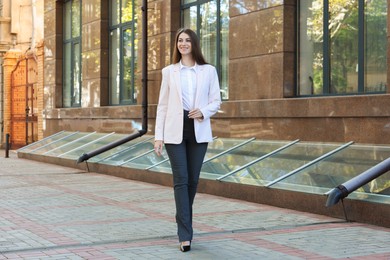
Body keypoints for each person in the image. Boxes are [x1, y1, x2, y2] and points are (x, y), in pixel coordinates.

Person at [154, 28, 221, 252]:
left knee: (192, 181)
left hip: (198, 128)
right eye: (180, 40)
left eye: (187, 40)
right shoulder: (169, 72)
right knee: (181, 179)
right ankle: (185, 234)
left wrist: (202, 111)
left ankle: (182, 216)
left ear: (194, 44)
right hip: (175, 129)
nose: (183, 44)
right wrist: (158, 136)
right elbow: (162, 106)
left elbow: (216, 101)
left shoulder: (208, 71)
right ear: (176, 44)